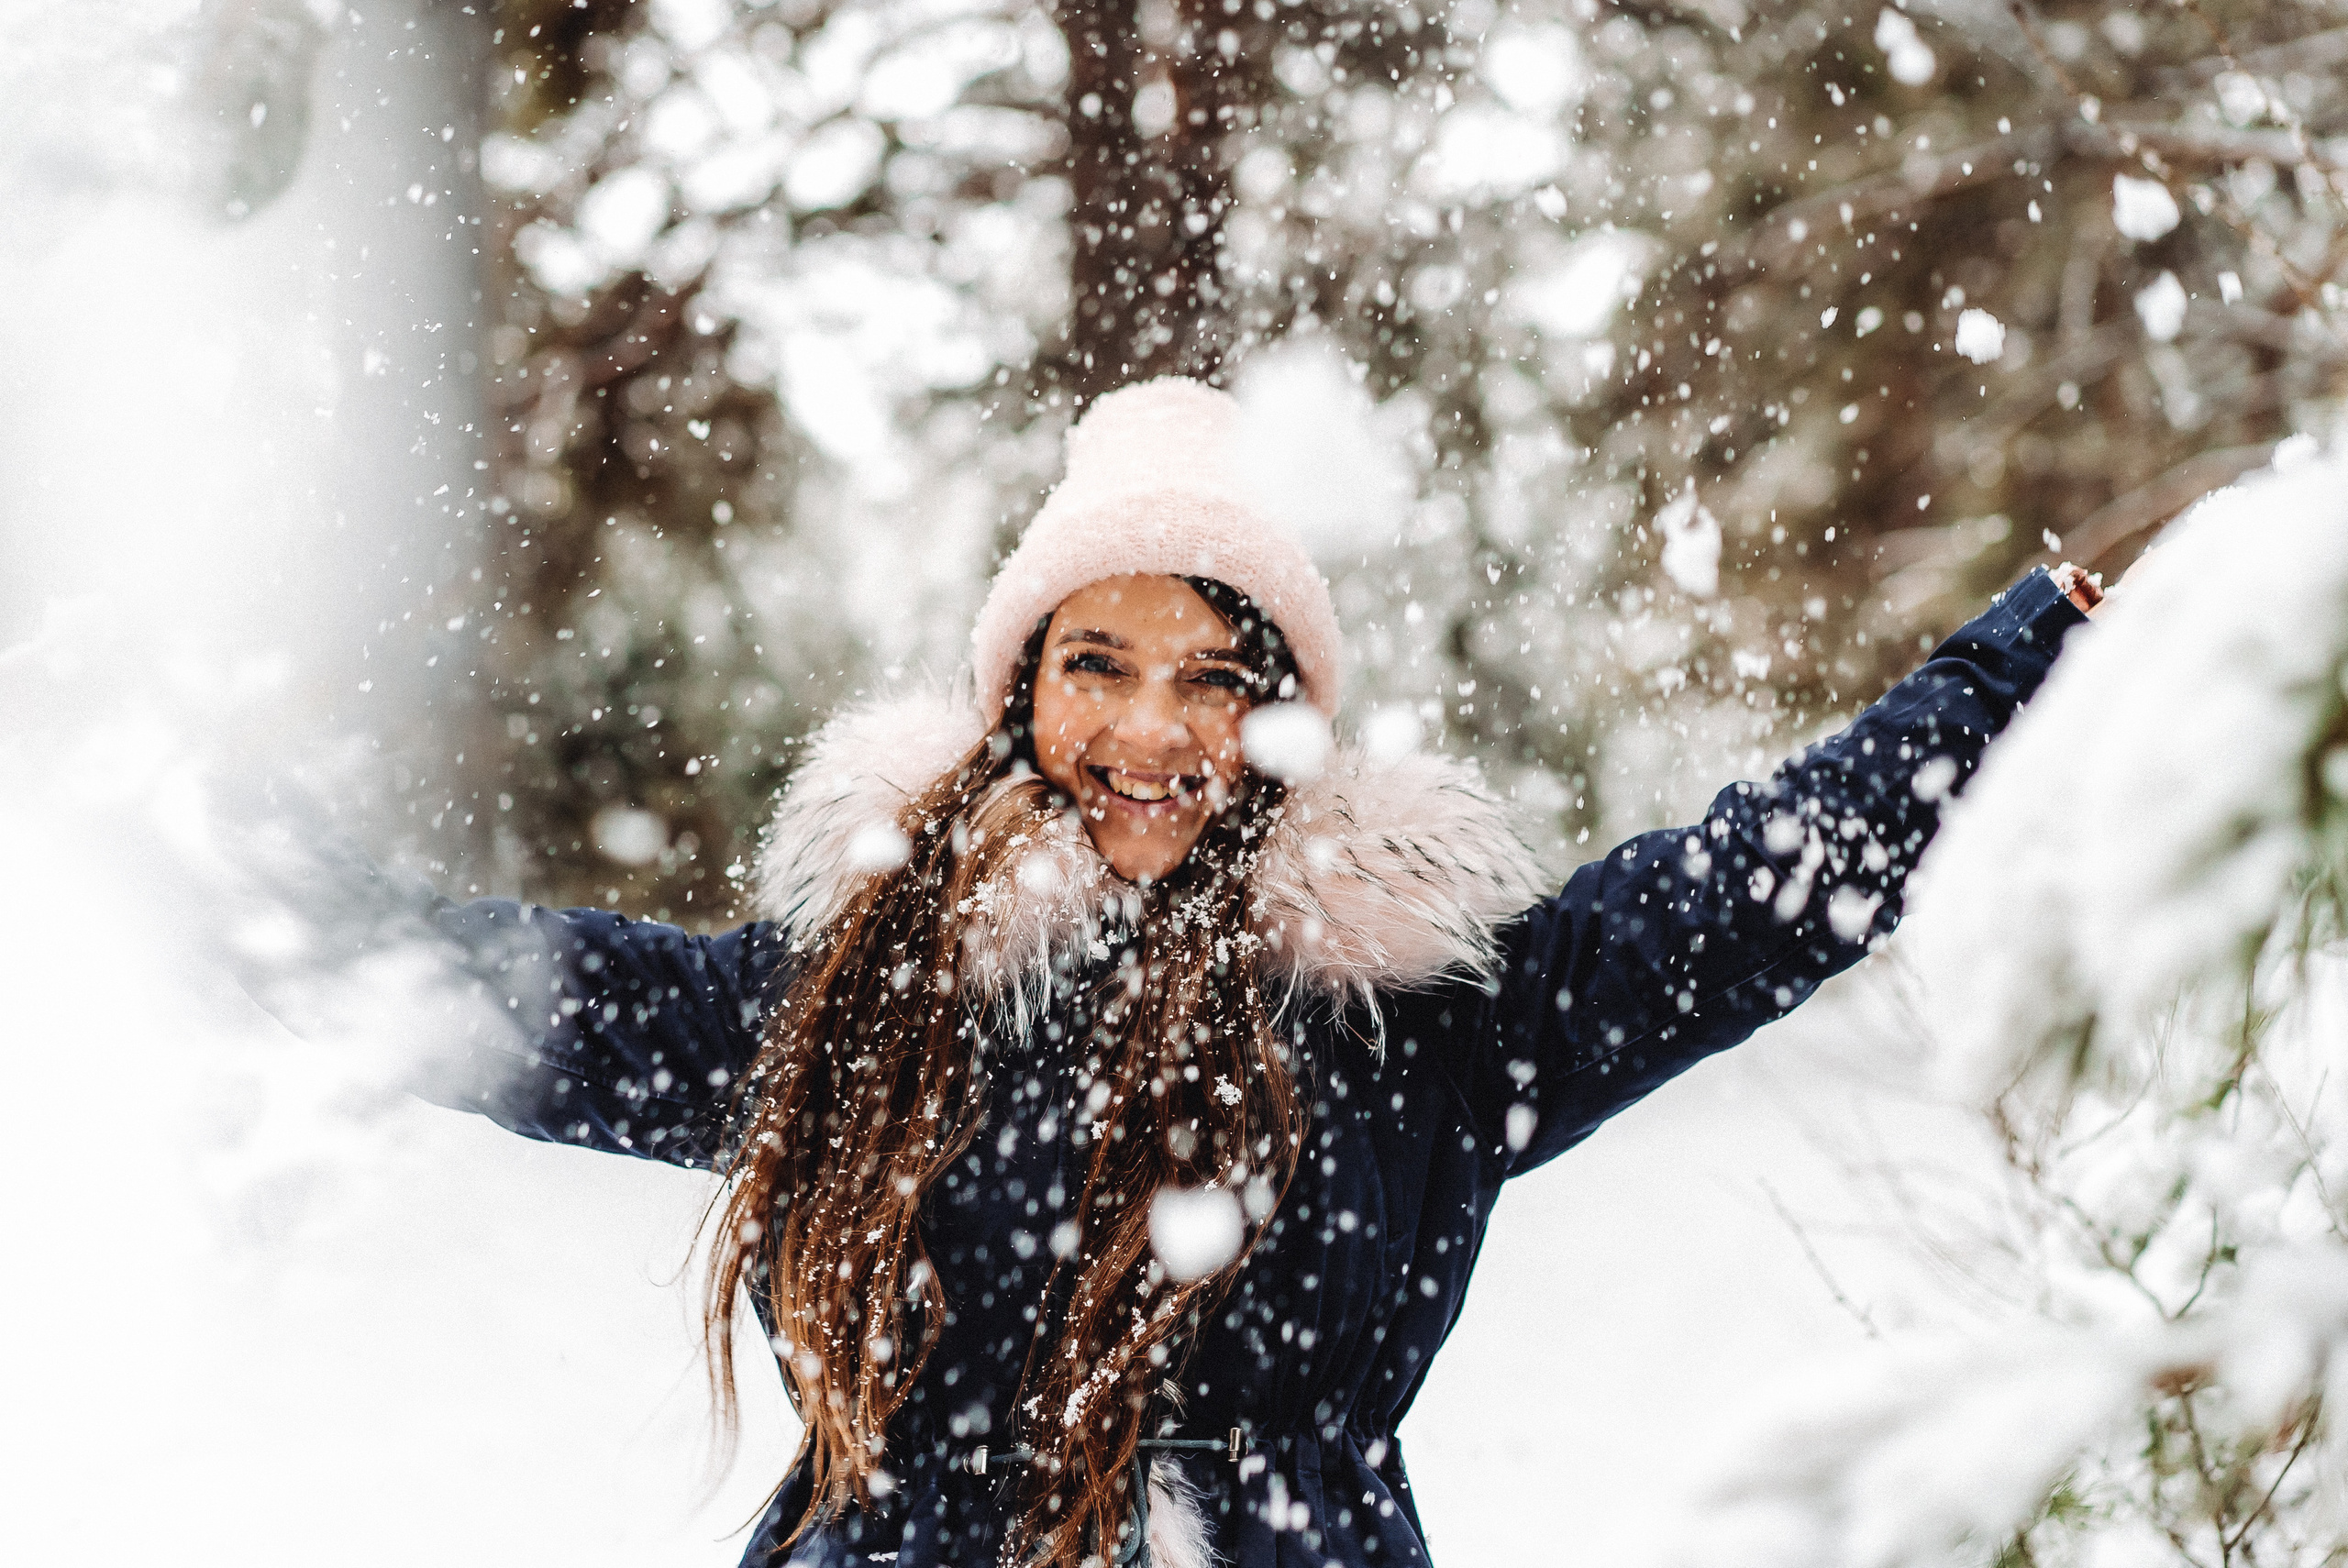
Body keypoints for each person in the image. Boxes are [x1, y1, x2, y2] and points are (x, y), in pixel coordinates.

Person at [393, 378, 2098, 1568]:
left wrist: (2032, 650)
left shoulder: (1417, 1016)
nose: (1149, 729)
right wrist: (179, 865)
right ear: (1016, 694)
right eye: (1098, 663)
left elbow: (1755, 893)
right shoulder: (853, 1005)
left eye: (1214, 675)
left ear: (1280, 710)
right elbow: (473, 988)